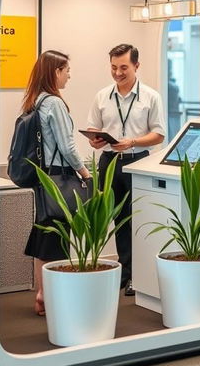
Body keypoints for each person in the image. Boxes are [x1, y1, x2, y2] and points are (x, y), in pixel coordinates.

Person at [87, 44, 165, 296]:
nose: (118, 73)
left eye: (123, 67)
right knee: (112, 219)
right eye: (113, 67)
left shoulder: (151, 96)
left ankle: (136, 276)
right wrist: (95, 141)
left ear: (136, 66)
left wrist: (132, 141)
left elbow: (159, 135)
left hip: (138, 161)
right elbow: (93, 131)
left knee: (135, 220)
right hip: (108, 163)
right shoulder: (102, 96)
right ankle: (122, 273)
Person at [21, 50, 91, 317]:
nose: (69, 75)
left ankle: (42, 295)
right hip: (59, 178)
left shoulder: (35, 100)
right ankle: (49, 297)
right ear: (55, 72)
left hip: (43, 177)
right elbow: (68, 147)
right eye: (66, 70)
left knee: (45, 233)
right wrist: (85, 173)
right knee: (57, 236)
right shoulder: (55, 104)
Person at [167, 74, 182, 141]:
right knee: (174, 135)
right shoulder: (172, 86)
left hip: (173, 113)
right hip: (173, 113)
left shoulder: (171, 86)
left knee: (173, 136)